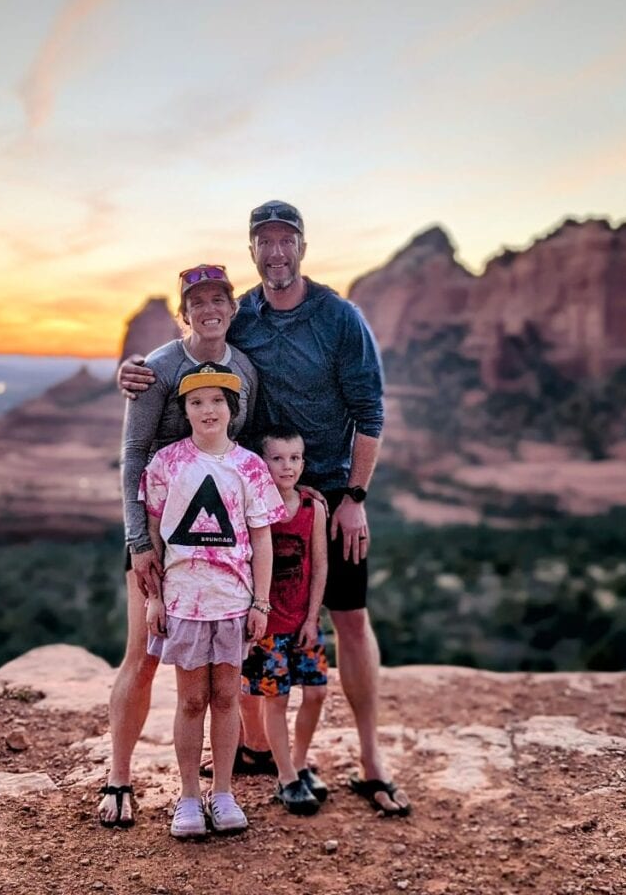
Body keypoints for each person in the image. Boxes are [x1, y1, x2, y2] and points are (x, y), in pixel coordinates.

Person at [120, 200, 410, 816]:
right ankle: (255, 750)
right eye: (265, 242)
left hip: (327, 491)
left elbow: (371, 412)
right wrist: (136, 369)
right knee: (254, 619)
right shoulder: (242, 312)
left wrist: (354, 497)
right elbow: (195, 342)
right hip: (248, 495)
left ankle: (369, 759)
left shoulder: (339, 317)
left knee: (350, 620)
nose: (276, 252)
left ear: (302, 246)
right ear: (253, 249)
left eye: (287, 241)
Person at [98, 265, 258, 828]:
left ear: (232, 309)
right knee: (142, 655)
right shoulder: (158, 369)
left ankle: (223, 785)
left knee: (222, 674)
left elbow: (240, 449)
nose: (210, 308)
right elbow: (134, 453)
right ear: (184, 313)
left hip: (214, 545)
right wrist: (138, 542)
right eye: (198, 301)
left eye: (220, 299)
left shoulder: (243, 370)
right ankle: (119, 778)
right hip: (157, 536)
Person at [141, 362, 287, 838]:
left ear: (232, 408)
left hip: (233, 602)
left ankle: (222, 792)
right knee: (190, 700)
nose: (208, 409)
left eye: (218, 400)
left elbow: (262, 540)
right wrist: (155, 598)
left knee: (226, 697)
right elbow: (155, 535)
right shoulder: (166, 465)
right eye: (197, 401)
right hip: (184, 601)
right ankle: (187, 797)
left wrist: (261, 604)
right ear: (184, 410)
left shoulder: (249, 467)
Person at [241, 426, 328, 816]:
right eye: (277, 458)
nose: (287, 466)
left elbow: (320, 565)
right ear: (263, 462)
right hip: (270, 625)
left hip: (303, 621)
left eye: (294, 458)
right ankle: (286, 777)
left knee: (316, 693)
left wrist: (313, 618)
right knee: (277, 700)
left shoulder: (313, 508)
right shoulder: (255, 506)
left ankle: (301, 763)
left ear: (303, 462)